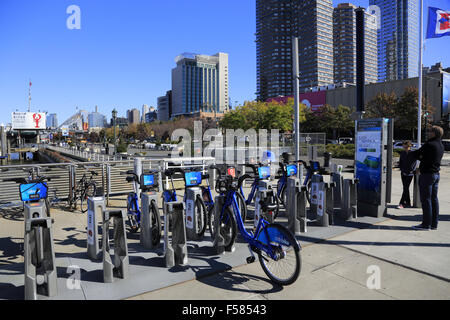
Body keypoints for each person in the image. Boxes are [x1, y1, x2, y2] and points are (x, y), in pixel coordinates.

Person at [410, 126, 444, 230]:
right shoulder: (440, 145)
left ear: (434, 133)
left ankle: (426, 224)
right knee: (434, 199)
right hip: (436, 174)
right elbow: (425, 157)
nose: (428, 133)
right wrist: (422, 157)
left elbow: (415, 154)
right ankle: (434, 224)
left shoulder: (429, 144)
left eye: (430, 131)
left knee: (426, 200)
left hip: (427, 175)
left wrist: (420, 157)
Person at [397, 141, 417, 209]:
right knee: (405, 188)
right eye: (403, 147)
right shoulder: (402, 153)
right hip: (403, 173)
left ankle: (402, 203)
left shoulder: (413, 153)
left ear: (409, 146)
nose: (405, 148)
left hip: (410, 173)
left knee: (405, 187)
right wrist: (401, 168)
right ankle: (408, 202)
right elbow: (401, 162)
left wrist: (413, 169)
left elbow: (416, 161)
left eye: (406, 147)